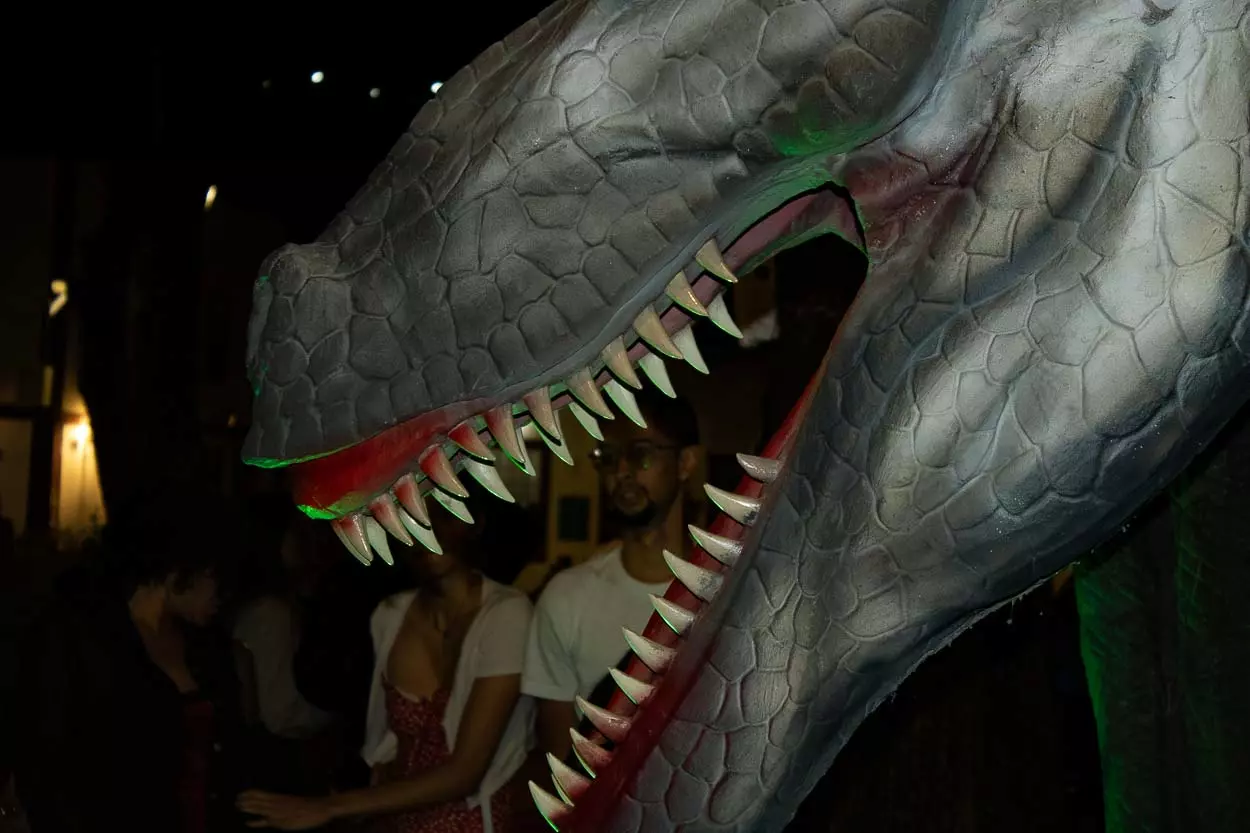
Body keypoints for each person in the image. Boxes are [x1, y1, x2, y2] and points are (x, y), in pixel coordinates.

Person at [237, 496, 536, 832]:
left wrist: (331, 807)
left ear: (474, 523)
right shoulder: (391, 615)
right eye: (412, 517)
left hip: (474, 821)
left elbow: (466, 772)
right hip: (393, 817)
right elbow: (378, 743)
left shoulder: (507, 614)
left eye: (443, 514)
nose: (428, 530)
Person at [13, 490, 248, 833]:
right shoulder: (79, 635)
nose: (225, 592)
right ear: (178, 568)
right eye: (216, 575)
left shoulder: (208, 645)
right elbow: (44, 764)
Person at [522, 390, 701, 763]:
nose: (621, 472)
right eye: (608, 457)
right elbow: (561, 762)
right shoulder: (567, 597)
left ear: (685, 462)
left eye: (641, 454)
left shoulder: (727, 587)